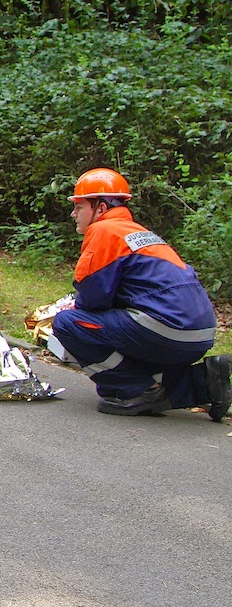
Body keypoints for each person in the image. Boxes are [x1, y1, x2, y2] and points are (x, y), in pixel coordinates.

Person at [47, 168, 229, 420]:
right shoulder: (137, 232)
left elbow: (92, 299)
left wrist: (74, 309)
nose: (73, 213)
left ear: (99, 208)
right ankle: (204, 382)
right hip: (199, 332)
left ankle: (139, 392)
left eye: (79, 206)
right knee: (129, 359)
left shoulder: (104, 231)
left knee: (69, 324)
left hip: (165, 328)